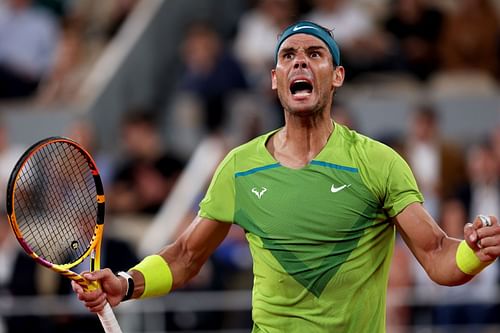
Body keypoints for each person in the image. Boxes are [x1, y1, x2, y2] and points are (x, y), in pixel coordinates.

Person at [72, 21, 500, 332]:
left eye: (315, 55)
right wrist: (127, 283)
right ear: (275, 80)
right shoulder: (240, 166)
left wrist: (473, 254)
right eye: (288, 56)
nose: (300, 62)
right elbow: (185, 257)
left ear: (337, 77)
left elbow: (439, 256)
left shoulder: (379, 163)